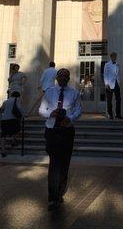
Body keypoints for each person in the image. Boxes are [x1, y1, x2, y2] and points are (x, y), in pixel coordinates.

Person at [39, 68, 82, 212]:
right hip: (52, 130)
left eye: (65, 76)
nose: (63, 78)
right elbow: (41, 109)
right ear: (57, 78)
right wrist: (50, 113)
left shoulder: (74, 93)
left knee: (65, 162)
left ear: (69, 78)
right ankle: (52, 197)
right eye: (61, 75)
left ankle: (60, 192)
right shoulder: (49, 92)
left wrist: (70, 119)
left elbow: (78, 110)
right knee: (54, 163)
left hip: (67, 130)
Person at [0, 91, 24, 157]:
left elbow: (1, 110)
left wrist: (0, 119)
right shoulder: (17, 100)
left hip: (4, 120)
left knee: (3, 135)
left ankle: (3, 151)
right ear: (18, 96)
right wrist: (24, 115)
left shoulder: (5, 101)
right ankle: (13, 141)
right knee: (17, 130)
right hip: (13, 119)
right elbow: (19, 108)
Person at [104, 52, 123, 119]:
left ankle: (118, 114)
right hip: (109, 84)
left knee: (118, 99)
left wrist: (119, 82)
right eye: (114, 56)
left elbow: (118, 74)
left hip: (116, 83)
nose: (115, 58)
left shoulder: (117, 64)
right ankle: (110, 114)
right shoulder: (107, 65)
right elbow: (105, 75)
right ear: (111, 57)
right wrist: (106, 84)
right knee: (109, 100)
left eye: (116, 57)